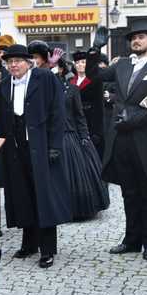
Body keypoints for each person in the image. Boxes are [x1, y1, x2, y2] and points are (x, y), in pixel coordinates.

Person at [86, 18, 147, 261]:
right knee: (129, 192)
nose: (136, 40)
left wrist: (132, 121)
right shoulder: (122, 64)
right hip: (121, 139)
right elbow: (94, 75)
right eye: (133, 37)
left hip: (144, 138)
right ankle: (131, 240)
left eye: (141, 37)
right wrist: (95, 50)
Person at [0, 44, 70, 268]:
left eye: (18, 61)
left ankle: (47, 249)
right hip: (15, 149)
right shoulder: (4, 83)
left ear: (29, 63)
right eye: (10, 62)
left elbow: (58, 112)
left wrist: (55, 145)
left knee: (44, 197)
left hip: (41, 147)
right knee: (22, 195)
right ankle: (29, 243)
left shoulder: (45, 78)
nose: (14, 65)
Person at [58, 67, 109, 220]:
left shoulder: (73, 89)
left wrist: (84, 136)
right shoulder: (48, 89)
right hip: (53, 135)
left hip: (70, 135)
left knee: (75, 173)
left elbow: (79, 115)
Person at [70, 50, 105, 157]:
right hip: (75, 121)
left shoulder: (95, 80)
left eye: (83, 62)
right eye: (77, 62)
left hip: (91, 119)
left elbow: (99, 106)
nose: (80, 65)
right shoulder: (71, 81)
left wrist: (97, 131)